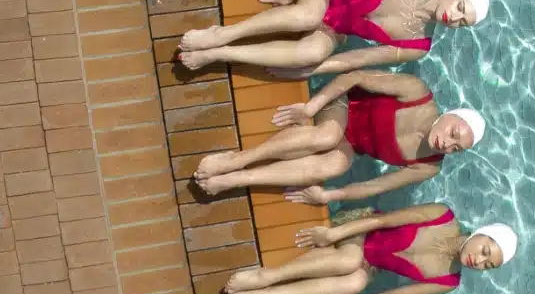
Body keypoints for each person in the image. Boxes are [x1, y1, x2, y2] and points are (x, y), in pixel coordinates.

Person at [192, 64, 486, 201]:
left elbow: (376, 187)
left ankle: (237, 179)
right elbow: (354, 77)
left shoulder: (428, 166)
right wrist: (312, 106)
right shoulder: (416, 92)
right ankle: (237, 159)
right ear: (450, 115)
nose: (447, 144)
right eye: (453, 133)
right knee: (325, 137)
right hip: (343, 102)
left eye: (456, 148)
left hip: (353, 143)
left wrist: (329, 197)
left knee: (334, 166)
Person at [177, 0, 488, 75]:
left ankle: (221, 54)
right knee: (309, 16)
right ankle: (224, 34)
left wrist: (310, 70)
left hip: (335, 28)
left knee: (312, 52)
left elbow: (356, 60)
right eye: (461, 8)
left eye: (462, 22)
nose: (454, 18)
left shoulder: (417, 45)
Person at [222, 206, 517, 294]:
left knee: (356, 281)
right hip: (360, 227)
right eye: (485, 252)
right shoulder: (442, 216)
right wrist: (332, 233)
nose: (478, 261)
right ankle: (267, 276)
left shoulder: (448, 281)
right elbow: (383, 218)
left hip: (365, 264)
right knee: (350, 259)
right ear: (482, 233)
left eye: (487, 266)